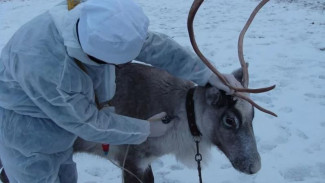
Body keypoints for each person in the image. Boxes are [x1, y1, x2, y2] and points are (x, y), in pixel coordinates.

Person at [0, 0, 239, 182]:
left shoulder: (100, 20)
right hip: (29, 135)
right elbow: (88, 123)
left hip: (61, 131)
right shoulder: (50, 70)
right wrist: (146, 129)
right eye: (115, 64)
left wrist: (206, 74)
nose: (121, 68)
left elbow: (155, 47)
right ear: (98, 56)